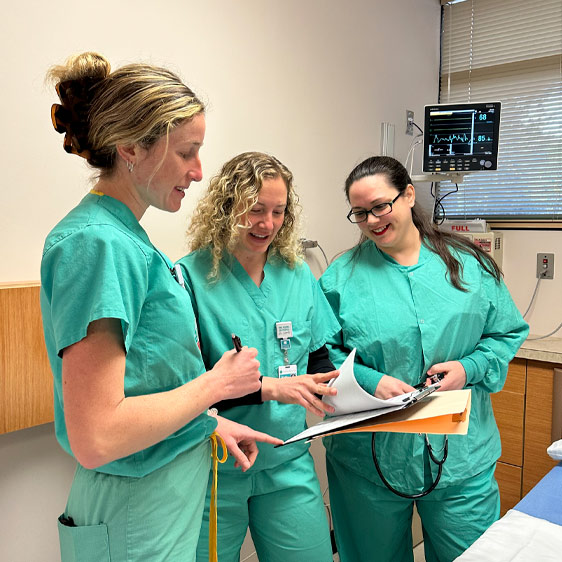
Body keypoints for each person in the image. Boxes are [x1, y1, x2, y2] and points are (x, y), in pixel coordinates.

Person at [40, 52, 281, 562]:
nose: (198, 172)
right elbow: (98, 435)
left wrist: (206, 423)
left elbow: (147, 380)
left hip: (160, 489)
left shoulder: (126, 238)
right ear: (130, 147)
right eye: (187, 152)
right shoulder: (98, 244)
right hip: (134, 503)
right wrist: (218, 385)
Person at [318, 156, 529, 562]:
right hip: (368, 460)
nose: (373, 220)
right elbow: (322, 353)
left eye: (381, 205)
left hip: (461, 459)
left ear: (409, 195)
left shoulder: (469, 266)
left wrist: (469, 368)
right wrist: (366, 378)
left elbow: (505, 333)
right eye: (360, 213)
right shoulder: (340, 278)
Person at [176, 151, 341, 562]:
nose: (267, 224)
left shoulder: (297, 272)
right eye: (254, 210)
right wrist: (272, 389)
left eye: (277, 211)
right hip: (215, 465)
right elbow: (184, 389)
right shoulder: (188, 277)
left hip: (287, 460)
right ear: (227, 207)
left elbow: (316, 353)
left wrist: (331, 387)